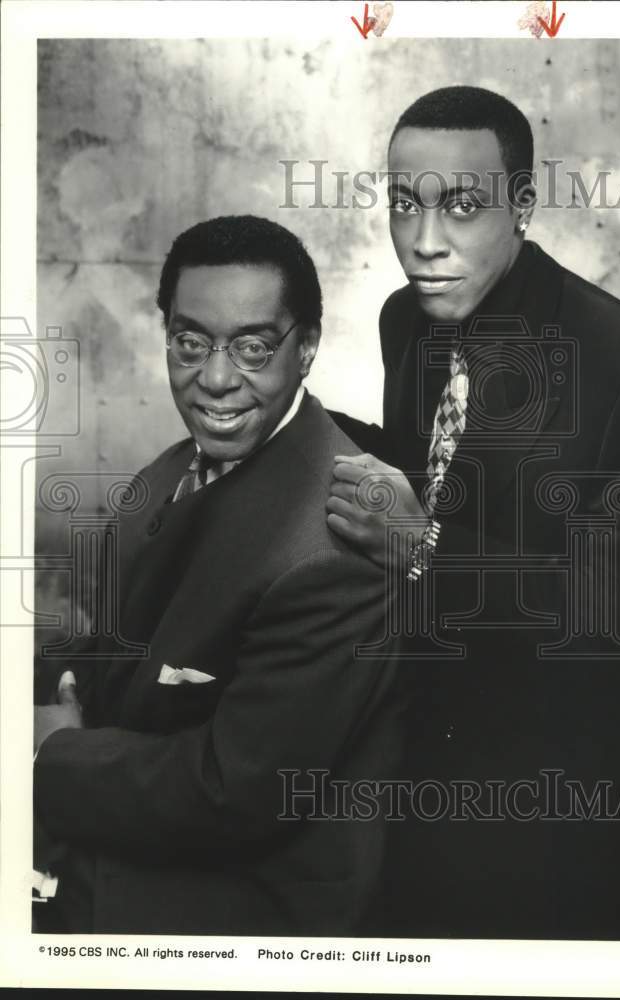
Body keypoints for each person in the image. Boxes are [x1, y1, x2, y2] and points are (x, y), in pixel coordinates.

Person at [327, 86, 620, 939]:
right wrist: (288, 414)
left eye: (463, 208)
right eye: (404, 206)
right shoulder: (411, 318)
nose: (425, 244)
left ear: (524, 208)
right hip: (415, 759)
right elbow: (436, 463)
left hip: (566, 813)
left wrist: (423, 547)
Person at [33, 214, 404, 936]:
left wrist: (53, 752)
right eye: (189, 342)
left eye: (253, 348)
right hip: (147, 820)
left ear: (309, 350)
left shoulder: (335, 542)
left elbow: (236, 795)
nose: (215, 379)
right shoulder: (170, 471)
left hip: (249, 901)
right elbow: (130, 647)